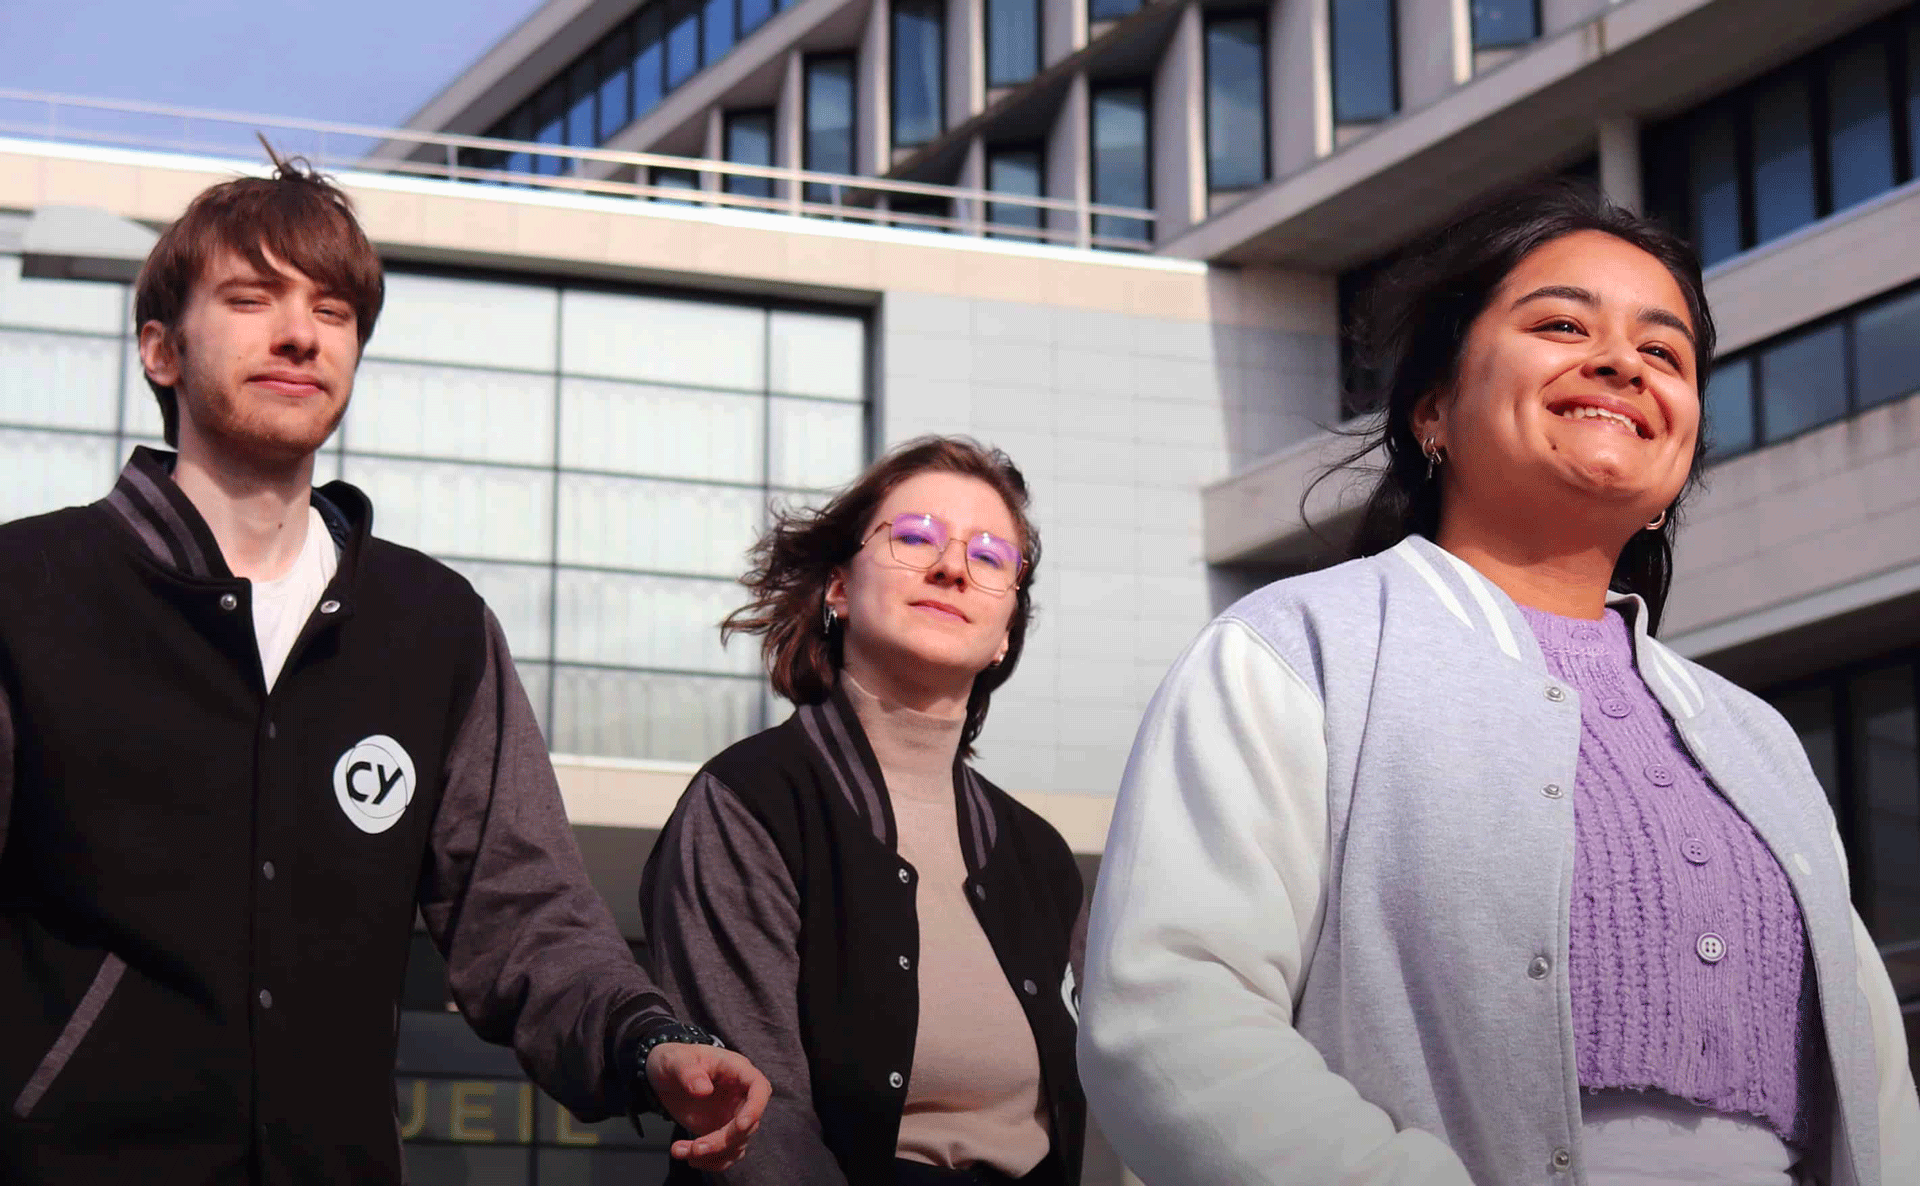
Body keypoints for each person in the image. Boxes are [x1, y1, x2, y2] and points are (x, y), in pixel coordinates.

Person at [1077, 181, 1920, 1186]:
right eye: (1562, 323)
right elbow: (1171, 1009)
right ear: (1433, 408)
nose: (1621, 362)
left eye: (1664, 353)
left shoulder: (1755, 739)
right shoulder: (1296, 648)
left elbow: (1874, 1086)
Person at [0, 155, 768, 1184]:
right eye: (249, 298)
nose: (299, 333)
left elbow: (527, 914)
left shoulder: (434, 628)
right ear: (161, 350)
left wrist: (646, 1041)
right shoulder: (29, 589)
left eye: (332, 309)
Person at [640, 437, 1087, 1184]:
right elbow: (760, 1123)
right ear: (838, 589)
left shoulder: (1040, 858)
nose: (950, 567)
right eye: (914, 538)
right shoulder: (749, 802)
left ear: (1006, 631)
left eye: (989, 558)